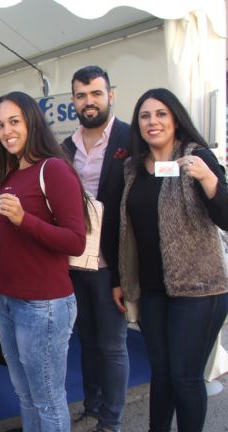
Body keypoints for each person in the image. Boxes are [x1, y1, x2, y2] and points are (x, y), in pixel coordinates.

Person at [117, 88, 228, 432]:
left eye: (161, 114)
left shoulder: (197, 157)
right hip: (152, 291)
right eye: (145, 116)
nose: (153, 122)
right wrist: (121, 280)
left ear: (176, 119)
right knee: (162, 373)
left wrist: (208, 179)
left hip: (199, 289)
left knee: (185, 376)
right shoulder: (132, 168)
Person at [0, 91, 86, 431]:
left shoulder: (53, 170)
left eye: (14, 121)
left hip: (45, 306)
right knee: (25, 397)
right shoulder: (9, 176)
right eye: (0, 125)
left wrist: (24, 220)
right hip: (9, 303)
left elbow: (76, 241)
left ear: (31, 123)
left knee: (48, 400)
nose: (6, 131)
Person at [61, 66, 130, 432]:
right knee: (86, 340)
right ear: (73, 100)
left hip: (111, 264)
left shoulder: (129, 139)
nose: (89, 102)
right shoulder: (66, 147)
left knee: (112, 345)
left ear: (110, 95)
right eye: (81, 95)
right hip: (74, 263)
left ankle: (111, 421)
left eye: (96, 94)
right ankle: (92, 407)